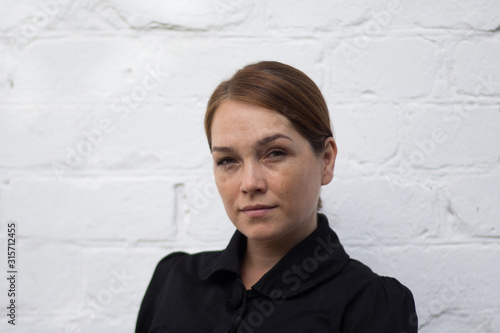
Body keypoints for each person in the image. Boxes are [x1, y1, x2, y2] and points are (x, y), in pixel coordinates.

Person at [136, 61, 418, 332]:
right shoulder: (174, 279)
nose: (250, 183)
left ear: (327, 161)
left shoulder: (371, 304)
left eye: (275, 153)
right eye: (227, 160)